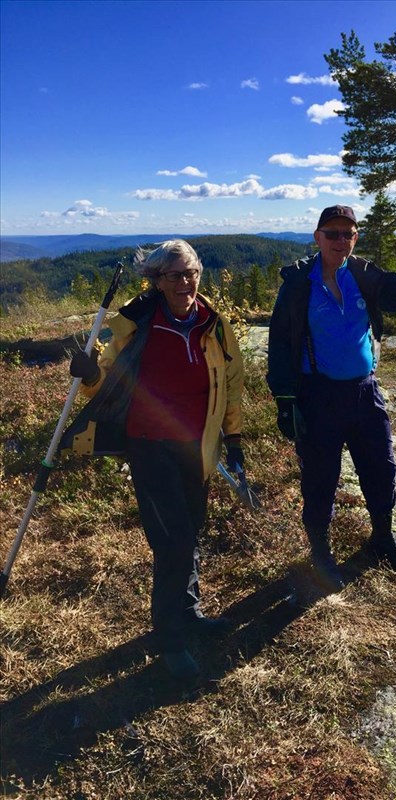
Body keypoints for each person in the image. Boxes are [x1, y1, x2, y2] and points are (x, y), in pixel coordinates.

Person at [61, 239, 244, 681]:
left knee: (191, 531)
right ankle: (170, 639)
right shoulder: (138, 325)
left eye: (192, 273)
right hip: (149, 446)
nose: (186, 282)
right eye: (175, 275)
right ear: (157, 280)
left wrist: (233, 437)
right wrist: (88, 376)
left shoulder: (214, 324)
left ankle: (189, 611)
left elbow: (232, 381)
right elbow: (105, 376)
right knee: (172, 541)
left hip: (197, 446)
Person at [267, 205, 396, 593]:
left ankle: (382, 538)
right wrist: (286, 401)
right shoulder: (298, 285)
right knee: (320, 478)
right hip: (318, 396)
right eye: (333, 233)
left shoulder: (363, 274)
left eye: (349, 233)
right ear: (317, 236)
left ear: (355, 238)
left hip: (364, 392)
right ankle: (320, 553)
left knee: (380, 467)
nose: (342, 240)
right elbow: (279, 345)